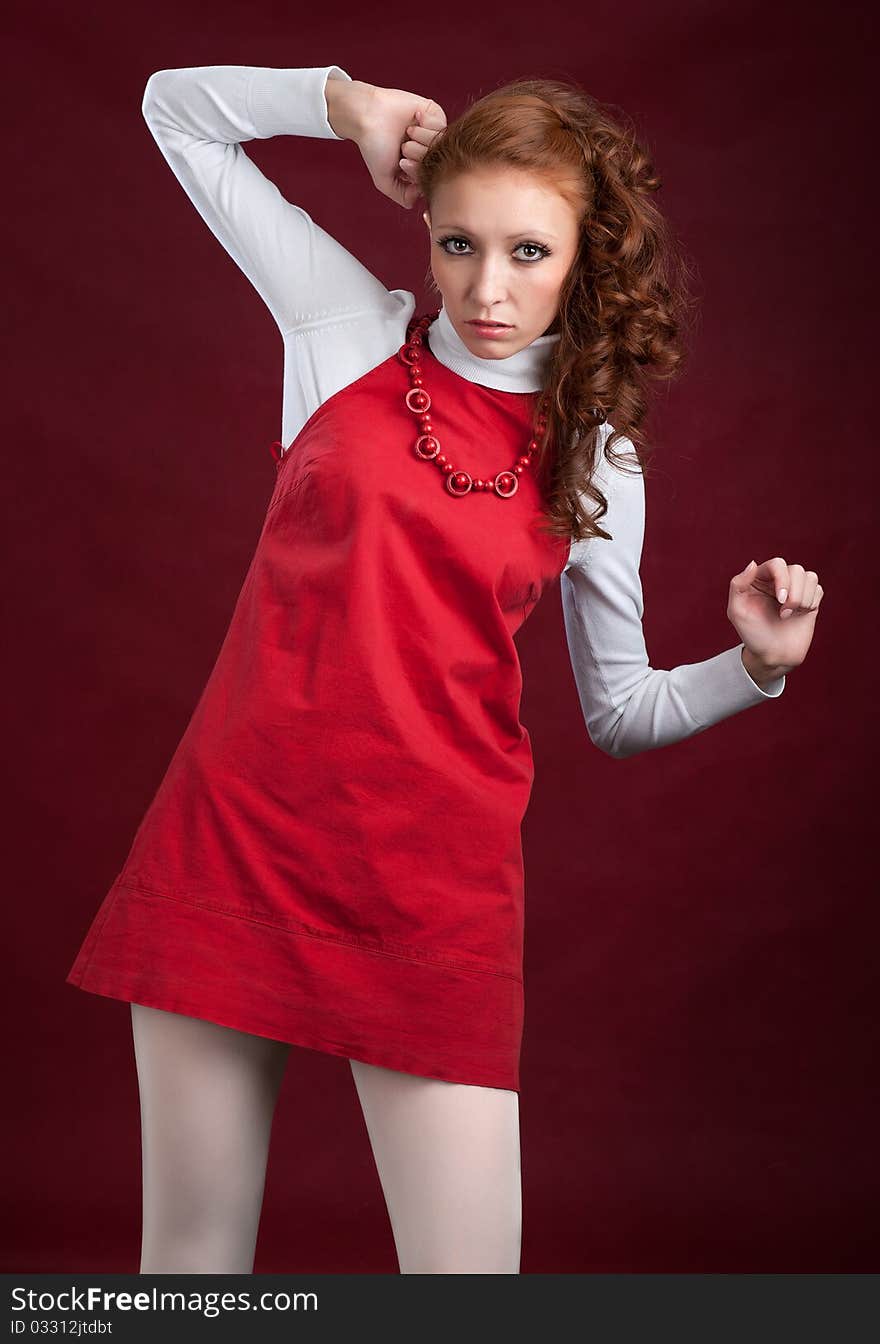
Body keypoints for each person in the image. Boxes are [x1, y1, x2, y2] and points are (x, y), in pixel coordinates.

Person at [65, 63, 823, 1275]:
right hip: (235, 838)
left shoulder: (598, 456)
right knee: (190, 1273)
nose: (488, 288)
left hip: (431, 885)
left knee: (466, 1289)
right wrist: (345, 104)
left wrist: (755, 667)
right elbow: (170, 111)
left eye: (530, 252)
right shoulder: (343, 332)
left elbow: (619, 711)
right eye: (461, 243)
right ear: (424, 230)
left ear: (585, 257)